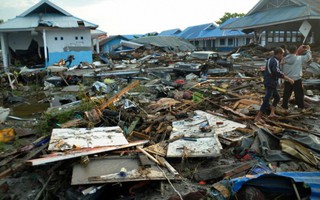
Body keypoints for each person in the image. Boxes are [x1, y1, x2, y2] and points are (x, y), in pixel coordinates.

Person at [255, 47, 294, 122]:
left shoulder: (271, 59)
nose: (282, 56)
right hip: (271, 82)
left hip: (269, 81)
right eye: (282, 54)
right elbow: (277, 72)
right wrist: (288, 78)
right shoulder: (274, 61)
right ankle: (258, 116)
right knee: (267, 99)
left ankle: (272, 113)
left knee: (277, 98)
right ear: (279, 54)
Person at [281, 45, 312, 113]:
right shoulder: (299, 58)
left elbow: (280, 69)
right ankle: (301, 108)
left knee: (286, 94)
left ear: (288, 51)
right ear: (296, 51)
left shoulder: (284, 59)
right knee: (299, 94)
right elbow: (308, 57)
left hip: (288, 79)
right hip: (296, 79)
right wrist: (308, 50)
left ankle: (284, 107)